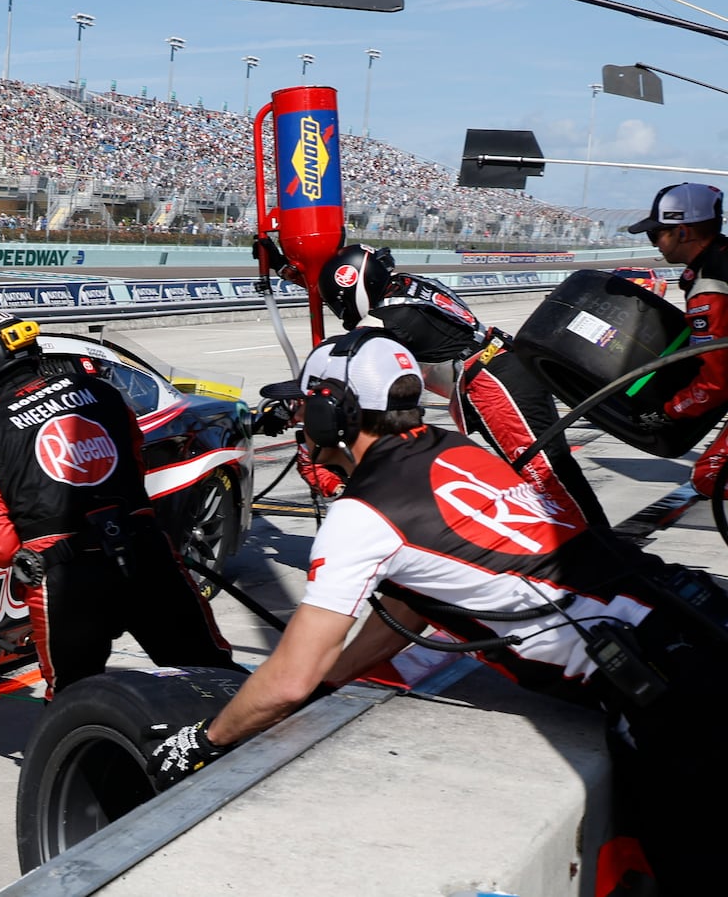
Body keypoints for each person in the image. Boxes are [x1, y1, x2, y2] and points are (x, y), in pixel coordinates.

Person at [149, 330, 728, 892]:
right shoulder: (457, 449)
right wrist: (336, 681)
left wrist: (205, 741)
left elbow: (288, 680)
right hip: (690, 610)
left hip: (670, 689)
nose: (300, 423)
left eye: (305, 408)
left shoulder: (364, 514)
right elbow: (416, 597)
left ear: (333, 413)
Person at [0, 310, 238, 699]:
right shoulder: (104, 393)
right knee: (209, 672)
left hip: (66, 579)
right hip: (146, 555)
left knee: (73, 700)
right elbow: (135, 466)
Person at [311, 242, 607, 531]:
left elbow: (343, 356)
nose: (341, 310)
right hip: (502, 364)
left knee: (544, 473)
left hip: (494, 382)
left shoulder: (387, 319)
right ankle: (584, 543)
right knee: (546, 470)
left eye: (339, 300)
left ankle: (599, 548)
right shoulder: (407, 285)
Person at [627, 182, 728, 499]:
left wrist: (668, 411)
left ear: (683, 232)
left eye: (656, 233)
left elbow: (717, 382)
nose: (654, 242)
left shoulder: (710, 284)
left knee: (712, 475)